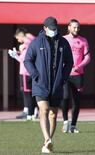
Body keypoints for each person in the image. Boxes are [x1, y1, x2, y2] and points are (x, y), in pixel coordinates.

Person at [24, 17, 73, 153]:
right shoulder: (36, 42)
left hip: (57, 84)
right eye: (51, 29)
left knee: (53, 114)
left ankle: (47, 143)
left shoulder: (63, 43)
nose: (54, 31)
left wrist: (63, 77)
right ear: (45, 28)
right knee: (44, 110)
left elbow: (69, 62)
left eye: (55, 28)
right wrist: (35, 75)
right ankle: (47, 139)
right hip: (41, 83)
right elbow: (28, 60)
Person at [62, 19, 91, 133]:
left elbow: (87, 57)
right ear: (69, 27)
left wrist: (79, 66)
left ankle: (73, 126)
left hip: (78, 74)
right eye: (74, 27)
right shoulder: (63, 40)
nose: (76, 29)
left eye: (78, 27)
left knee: (76, 101)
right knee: (64, 97)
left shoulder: (83, 40)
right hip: (65, 74)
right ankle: (65, 122)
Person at [8, 28, 38, 120]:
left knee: (27, 93)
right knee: (32, 93)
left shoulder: (27, 44)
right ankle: (32, 111)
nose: (18, 40)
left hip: (26, 71)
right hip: (32, 71)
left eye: (17, 38)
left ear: (21, 34)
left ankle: (29, 113)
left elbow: (24, 59)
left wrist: (15, 56)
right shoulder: (33, 42)